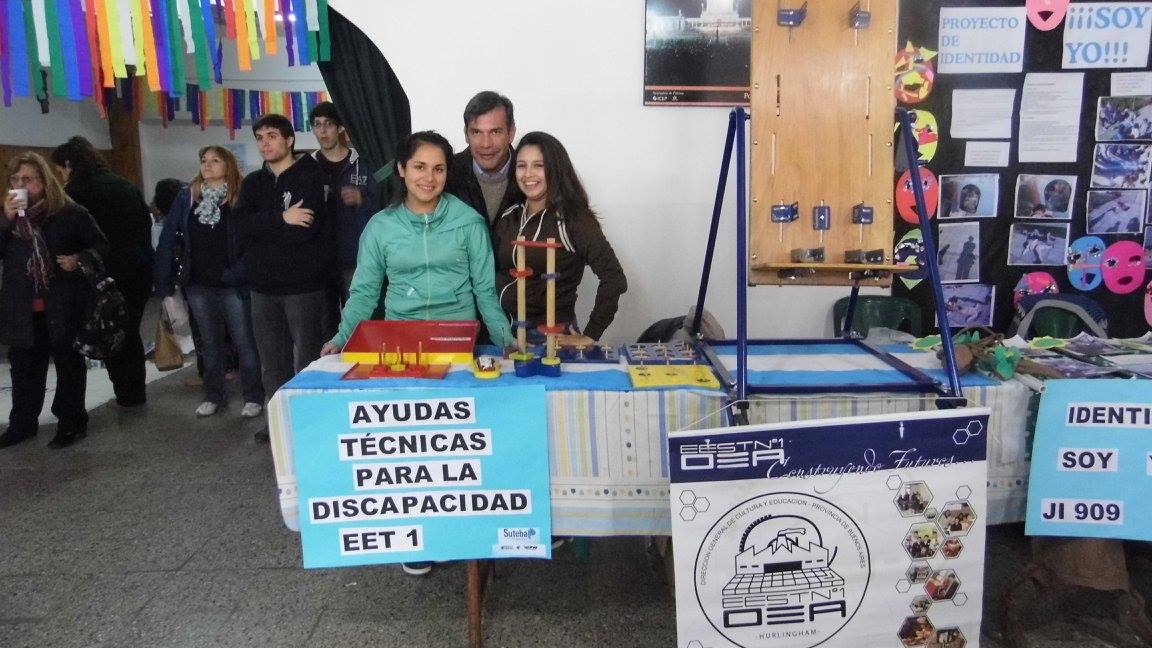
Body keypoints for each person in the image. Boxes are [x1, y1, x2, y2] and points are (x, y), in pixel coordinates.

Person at [322, 133, 512, 578]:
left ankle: (460, 529)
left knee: (456, 446)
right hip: (401, 346)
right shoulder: (381, 227)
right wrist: (341, 336)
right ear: (402, 170)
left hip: (456, 345)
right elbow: (365, 291)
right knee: (412, 446)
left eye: (439, 168)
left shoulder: (467, 222)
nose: (430, 177)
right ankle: (418, 536)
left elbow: (485, 290)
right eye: (420, 167)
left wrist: (506, 340)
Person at [233, 114, 333, 443]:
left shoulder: (311, 176)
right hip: (262, 288)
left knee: (306, 359)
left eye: (272, 136)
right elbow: (240, 228)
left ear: (289, 140)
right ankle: (276, 420)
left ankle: (308, 422)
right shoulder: (253, 183)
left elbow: (305, 231)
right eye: (260, 138)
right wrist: (281, 218)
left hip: (303, 286)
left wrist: (263, 228)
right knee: (271, 362)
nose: (265, 143)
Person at [0, 152, 108, 448]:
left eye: (28, 179)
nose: (20, 185)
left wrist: (79, 259)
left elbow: (102, 246)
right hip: (23, 307)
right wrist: (5, 220)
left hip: (62, 304)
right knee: (24, 367)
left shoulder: (70, 213)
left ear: (44, 181)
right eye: (15, 179)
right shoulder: (9, 218)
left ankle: (71, 422)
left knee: (68, 363)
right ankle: (22, 423)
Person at [154, 146, 265, 419]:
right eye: (204, 160)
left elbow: (254, 239)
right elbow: (168, 237)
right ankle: (213, 395)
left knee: (245, 342)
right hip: (198, 284)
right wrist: (163, 280)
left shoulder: (241, 196)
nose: (208, 165)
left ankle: (253, 396)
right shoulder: (188, 197)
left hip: (233, 284)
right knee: (209, 344)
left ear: (228, 165)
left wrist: (238, 272)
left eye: (215, 160)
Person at [491, 132, 627, 346]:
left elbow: (614, 278)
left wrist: (591, 334)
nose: (528, 174)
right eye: (521, 166)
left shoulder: (573, 219)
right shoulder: (510, 215)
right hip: (505, 333)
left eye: (539, 165)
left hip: (549, 337)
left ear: (555, 169)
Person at [51, 136, 153, 408]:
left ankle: (125, 393)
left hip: (102, 273)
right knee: (129, 331)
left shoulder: (73, 194)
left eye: (60, 170)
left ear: (69, 164)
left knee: (108, 332)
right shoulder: (125, 186)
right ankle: (134, 393)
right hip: (139, 269)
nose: (60, 176)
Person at [307, 101, 378, 300]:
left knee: (357, 314)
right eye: (317, 124)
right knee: (324, 318)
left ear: (340, 128)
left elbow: (383, 206)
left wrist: (362, 199)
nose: (323, 130)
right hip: (319, 261)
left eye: (328, 124)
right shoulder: (306, 167)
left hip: (355, 258)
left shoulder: (364, 163)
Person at [445, 91, 523, 225]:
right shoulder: (446, 174)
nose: (486, 144)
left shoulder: (532, 176)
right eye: (476, 132)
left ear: (511, 133)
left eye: (495, 132)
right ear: (466, 135)